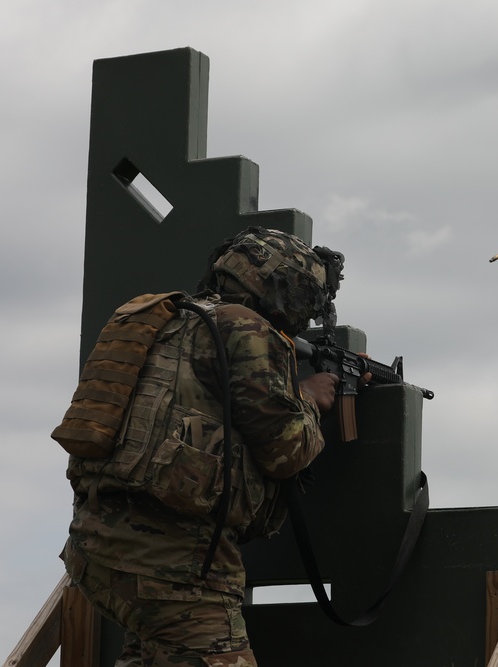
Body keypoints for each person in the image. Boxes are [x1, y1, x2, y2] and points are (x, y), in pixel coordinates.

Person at [59, 227, 344, 666]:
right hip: (173, 562)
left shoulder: (164, 319)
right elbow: (287, 452)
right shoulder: (245, 329)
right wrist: (309, 397)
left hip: (94, 545)